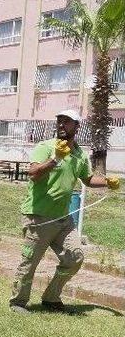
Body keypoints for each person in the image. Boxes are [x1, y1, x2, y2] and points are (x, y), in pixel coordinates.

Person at [9, 109, 121, 314]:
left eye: (67, 121)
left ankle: (51, 298)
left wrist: (107, 181)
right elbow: (33, 174)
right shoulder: (46, 147)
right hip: (38, 215)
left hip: (63, 218)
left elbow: (87, 179)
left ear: (77, 126)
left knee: (74, 258)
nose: (61, 124)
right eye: (59, 121)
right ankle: (18, 302)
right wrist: (55, 159)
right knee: (30, 261)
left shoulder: (78, 154)